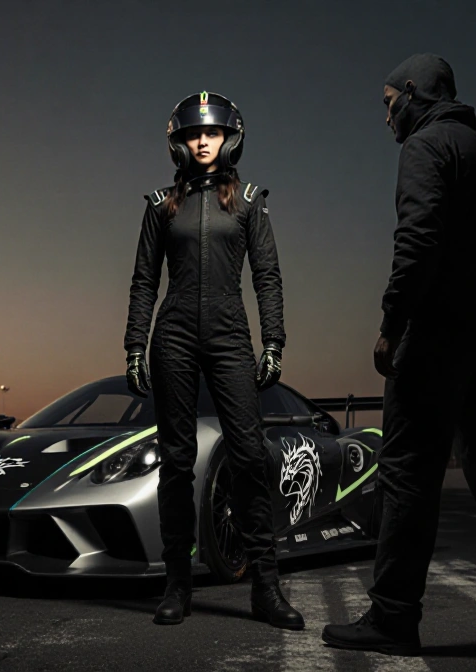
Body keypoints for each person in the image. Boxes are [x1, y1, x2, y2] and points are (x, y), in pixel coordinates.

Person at [321, 54, 476, 655]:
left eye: (389, 102)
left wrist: (393, 323)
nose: (386, 117)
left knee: (406, 472)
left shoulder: (425, 147)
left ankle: (393, 617)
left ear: (416, 95)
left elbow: (417, 240)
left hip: (437, 331)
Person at [123, 91, 303, 630]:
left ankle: (265, 588)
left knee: (249, 455)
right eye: (192, 135)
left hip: (229, 331)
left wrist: (274, 340)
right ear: (178, 144)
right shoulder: (160, 204)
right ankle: (178, 585)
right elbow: (143, 283)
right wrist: (135, 343)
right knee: (176, 463)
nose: (203, 141)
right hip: (173, 332)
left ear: (231, 138)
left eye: (214, 133)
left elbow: (267, 277)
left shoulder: (249, 200)